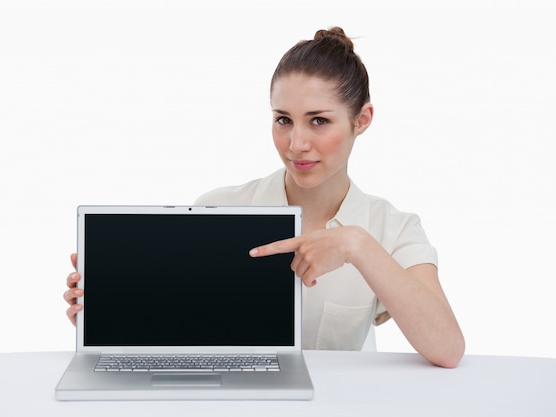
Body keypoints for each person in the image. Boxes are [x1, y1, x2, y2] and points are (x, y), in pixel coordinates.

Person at [64, 27, 465, 368]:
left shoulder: (393, 228)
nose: (296, 144)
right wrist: (111, 308)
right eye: (283, 120)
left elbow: (448, 350)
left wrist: (356, 245)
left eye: (319, 121)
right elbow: (175, 326)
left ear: (361, 120)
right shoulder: (218, 208)